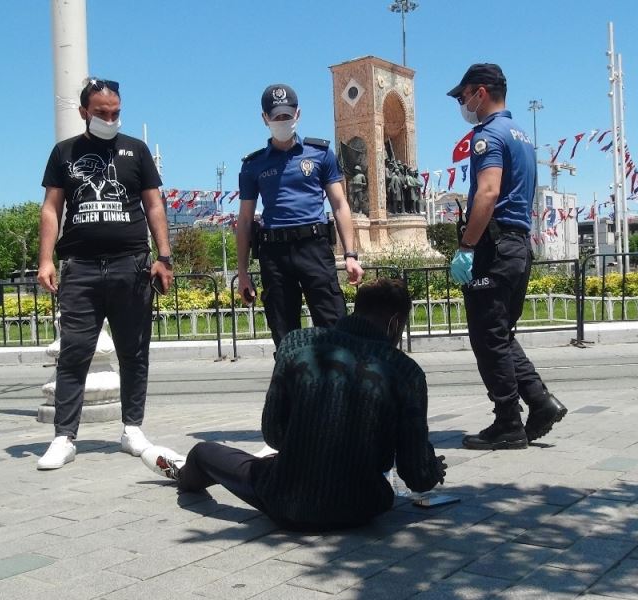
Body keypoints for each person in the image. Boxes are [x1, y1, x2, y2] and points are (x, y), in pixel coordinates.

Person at [141, 278, 447, 531]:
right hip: (361, 507)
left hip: (286, 499)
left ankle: (184, 475)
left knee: (206, 452)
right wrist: (431, 467)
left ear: (357, 310)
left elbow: (273, 433)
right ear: (396, 322)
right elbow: (417, 476)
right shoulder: (406, 372)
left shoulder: (297, 344)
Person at [36, 77, 174, 470]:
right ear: (84, 112)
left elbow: (155, 206)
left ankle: (132, 429)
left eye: (115, 113)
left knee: (134, 351)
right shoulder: (64, 153)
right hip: (79, 268)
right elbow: (51, 208)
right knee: (74, 352)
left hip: (131, 265)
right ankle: (64, 437)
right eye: (101, 113)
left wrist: (164, 257)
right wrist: (46, 260)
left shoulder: (137, 150)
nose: (109, 119)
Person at [446, 64, 566, 450]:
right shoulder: (521, 137)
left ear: (481, 93)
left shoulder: (488, 136)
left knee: (487, 337)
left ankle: (508, 422)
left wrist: (466, 246)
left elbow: (487, 193)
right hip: (517, 245)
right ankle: (540, 402)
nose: (462, 103)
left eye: (464, 96)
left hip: (493, 248)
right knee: (499, 332)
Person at [236, 83, 364, 348]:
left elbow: (340, 205)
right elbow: (246, 220)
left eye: (287, 115)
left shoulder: (320, 155)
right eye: (276, 116)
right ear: (265, 118)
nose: (282, 121)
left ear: (298, 114)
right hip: (275, 254)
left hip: (314, 248)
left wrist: (350, 256)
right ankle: (292, 388)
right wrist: (243, 272)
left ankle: (337, 388)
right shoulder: (253, 165)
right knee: (285, 339)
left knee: (335, 331)